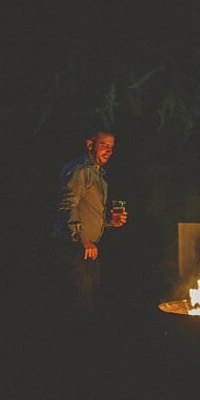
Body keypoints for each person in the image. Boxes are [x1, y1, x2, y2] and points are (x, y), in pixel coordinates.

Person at [50, 127, 128, 316]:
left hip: (87, 250)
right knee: (80, 310)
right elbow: (67, 206)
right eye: (104, 145)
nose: (109, 151)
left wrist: (109, 221)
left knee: (90, 306)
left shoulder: (97, 174)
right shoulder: (80, 170)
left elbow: (87, 212)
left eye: (111, 147)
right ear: (90, 145)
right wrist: (82, 239)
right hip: (74, 248)